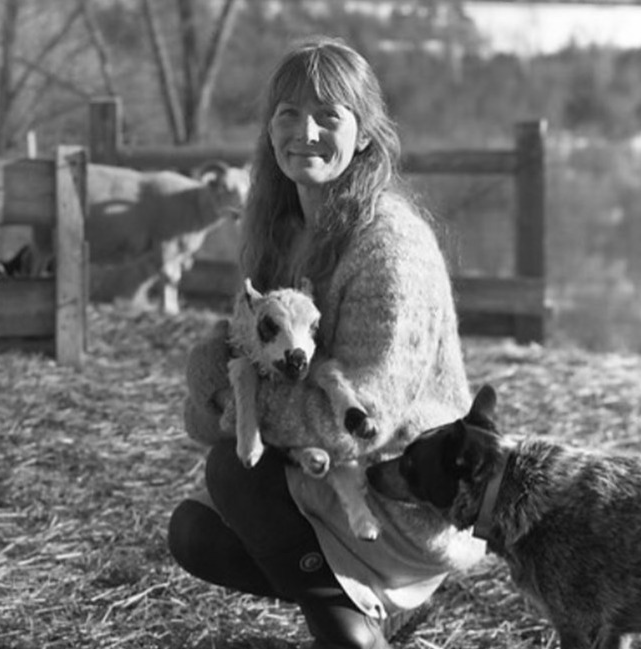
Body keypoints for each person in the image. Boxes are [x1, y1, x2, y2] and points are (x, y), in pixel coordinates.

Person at [167, 36, 486, 649]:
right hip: (324, 468)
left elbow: (359, 422)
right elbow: (239, 353)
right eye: (288, 113)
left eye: (328, 116)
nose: (305, 132)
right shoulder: (280, 230)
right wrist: (211, 382)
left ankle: (351, 631)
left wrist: (232, 408)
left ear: (363, 134)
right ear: (269, 130)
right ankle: (359, 609)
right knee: (195, 533)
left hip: (404, 488)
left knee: (234, 470)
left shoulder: (390, 246)